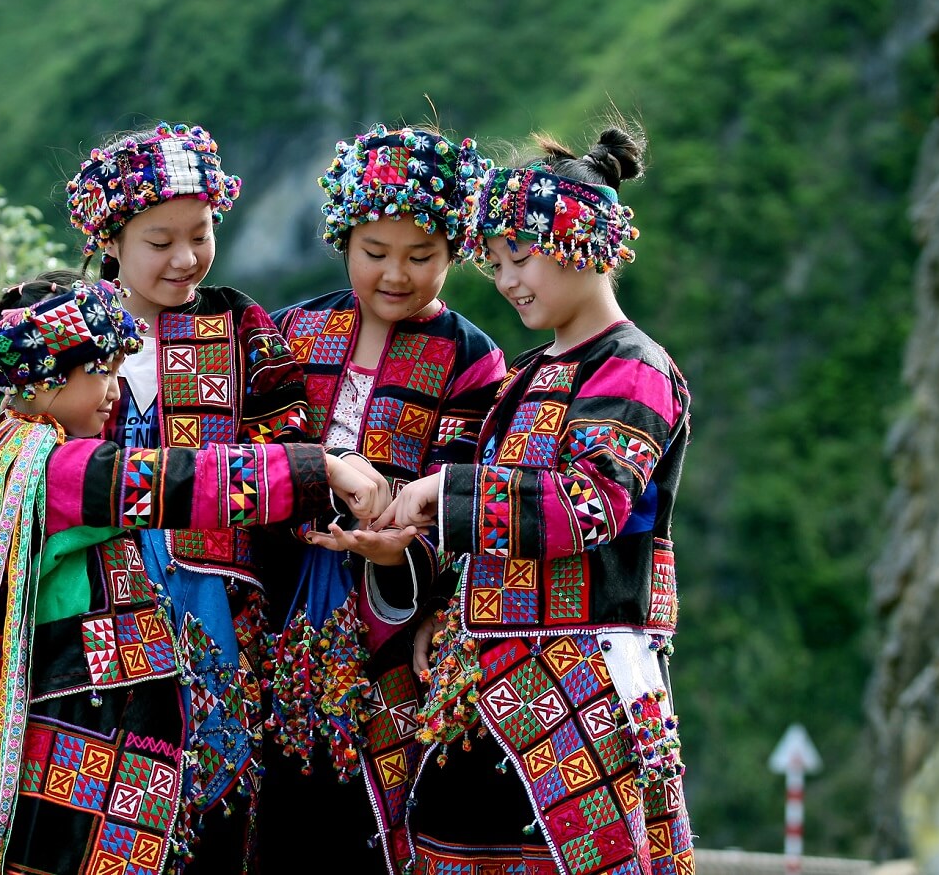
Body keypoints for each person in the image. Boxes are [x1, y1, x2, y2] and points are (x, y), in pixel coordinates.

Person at [0, 272, 388, 875]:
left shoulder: (14, 455)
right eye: (99, 371)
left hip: (70, 710)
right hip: (83, 719)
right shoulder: (60, 470)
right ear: (45, 376)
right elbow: (182, 482)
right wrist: (320, 469)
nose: (114, 388)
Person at [374, 125, 697, 874]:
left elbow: (589, 505)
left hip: (581, 679)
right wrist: (441, 606)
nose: (508, 279)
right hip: (481, 680)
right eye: (494, 264)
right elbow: (487, 509)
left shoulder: (635, 369)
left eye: (521, 257)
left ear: (584, 242)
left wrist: (439, 494)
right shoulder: (522, 374)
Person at [65, 121, 345, 870]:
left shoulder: (238, 324)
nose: (187, 258)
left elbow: (290, 439)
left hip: (216, 601)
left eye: (202, 233)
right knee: (107, 781)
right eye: (161, 241)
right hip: (98, 598)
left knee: (215, 781)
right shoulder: (68, 334)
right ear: (110, 238)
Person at [258, 124, 506, 874]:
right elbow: (258, 449)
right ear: (343, 239)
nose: (395, 274)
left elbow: (466, 488)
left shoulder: (471, 359)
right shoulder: (294, 331)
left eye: (421, 256)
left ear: (455, 250)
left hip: (393, 626)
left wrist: (409, 562)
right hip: (279, 609)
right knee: (273, 805)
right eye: (375, 252)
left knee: (369, 813)